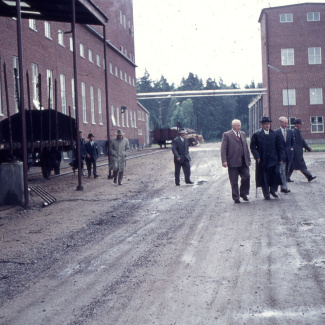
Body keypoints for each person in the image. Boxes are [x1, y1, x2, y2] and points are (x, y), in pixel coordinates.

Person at [250, 116, 285, 200]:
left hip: (274, 159)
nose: (267, 125)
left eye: (268, 123)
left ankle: (273, 190)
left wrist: (281, 158)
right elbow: (253, 147)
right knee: (264, 177)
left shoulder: (274, 134)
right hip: (263, 160)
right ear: (262, 124)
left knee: (276, 174)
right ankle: (266, 194)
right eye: (265, 124)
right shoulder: (257, 134)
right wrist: (257, 156)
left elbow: (280, 147)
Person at [221, 119, 251, 203]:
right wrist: (224, 160)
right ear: (233, 126)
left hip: (243, 161)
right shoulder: (227, 135)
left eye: (240, 125)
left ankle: (243, 193)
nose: (239, 127)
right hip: (232, 162)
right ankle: (236, 197)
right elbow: (223, 149)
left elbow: (246, 147)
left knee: (247, 176)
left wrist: (248, 159)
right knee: (234, 181)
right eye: (237, 125)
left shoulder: (243, 134)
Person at [274, 116, 295, 193]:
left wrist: (292, 148)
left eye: (287, 123)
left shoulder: (290, 131)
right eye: (284, 123)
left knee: (286, 171)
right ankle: (284, 187)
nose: (286, 124)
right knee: (282, 171)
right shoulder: (276, 132)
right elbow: (275, 144)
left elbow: (293, 142)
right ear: (280, 123)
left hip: (289, 155)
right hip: (280, 156)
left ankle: (283, 187)